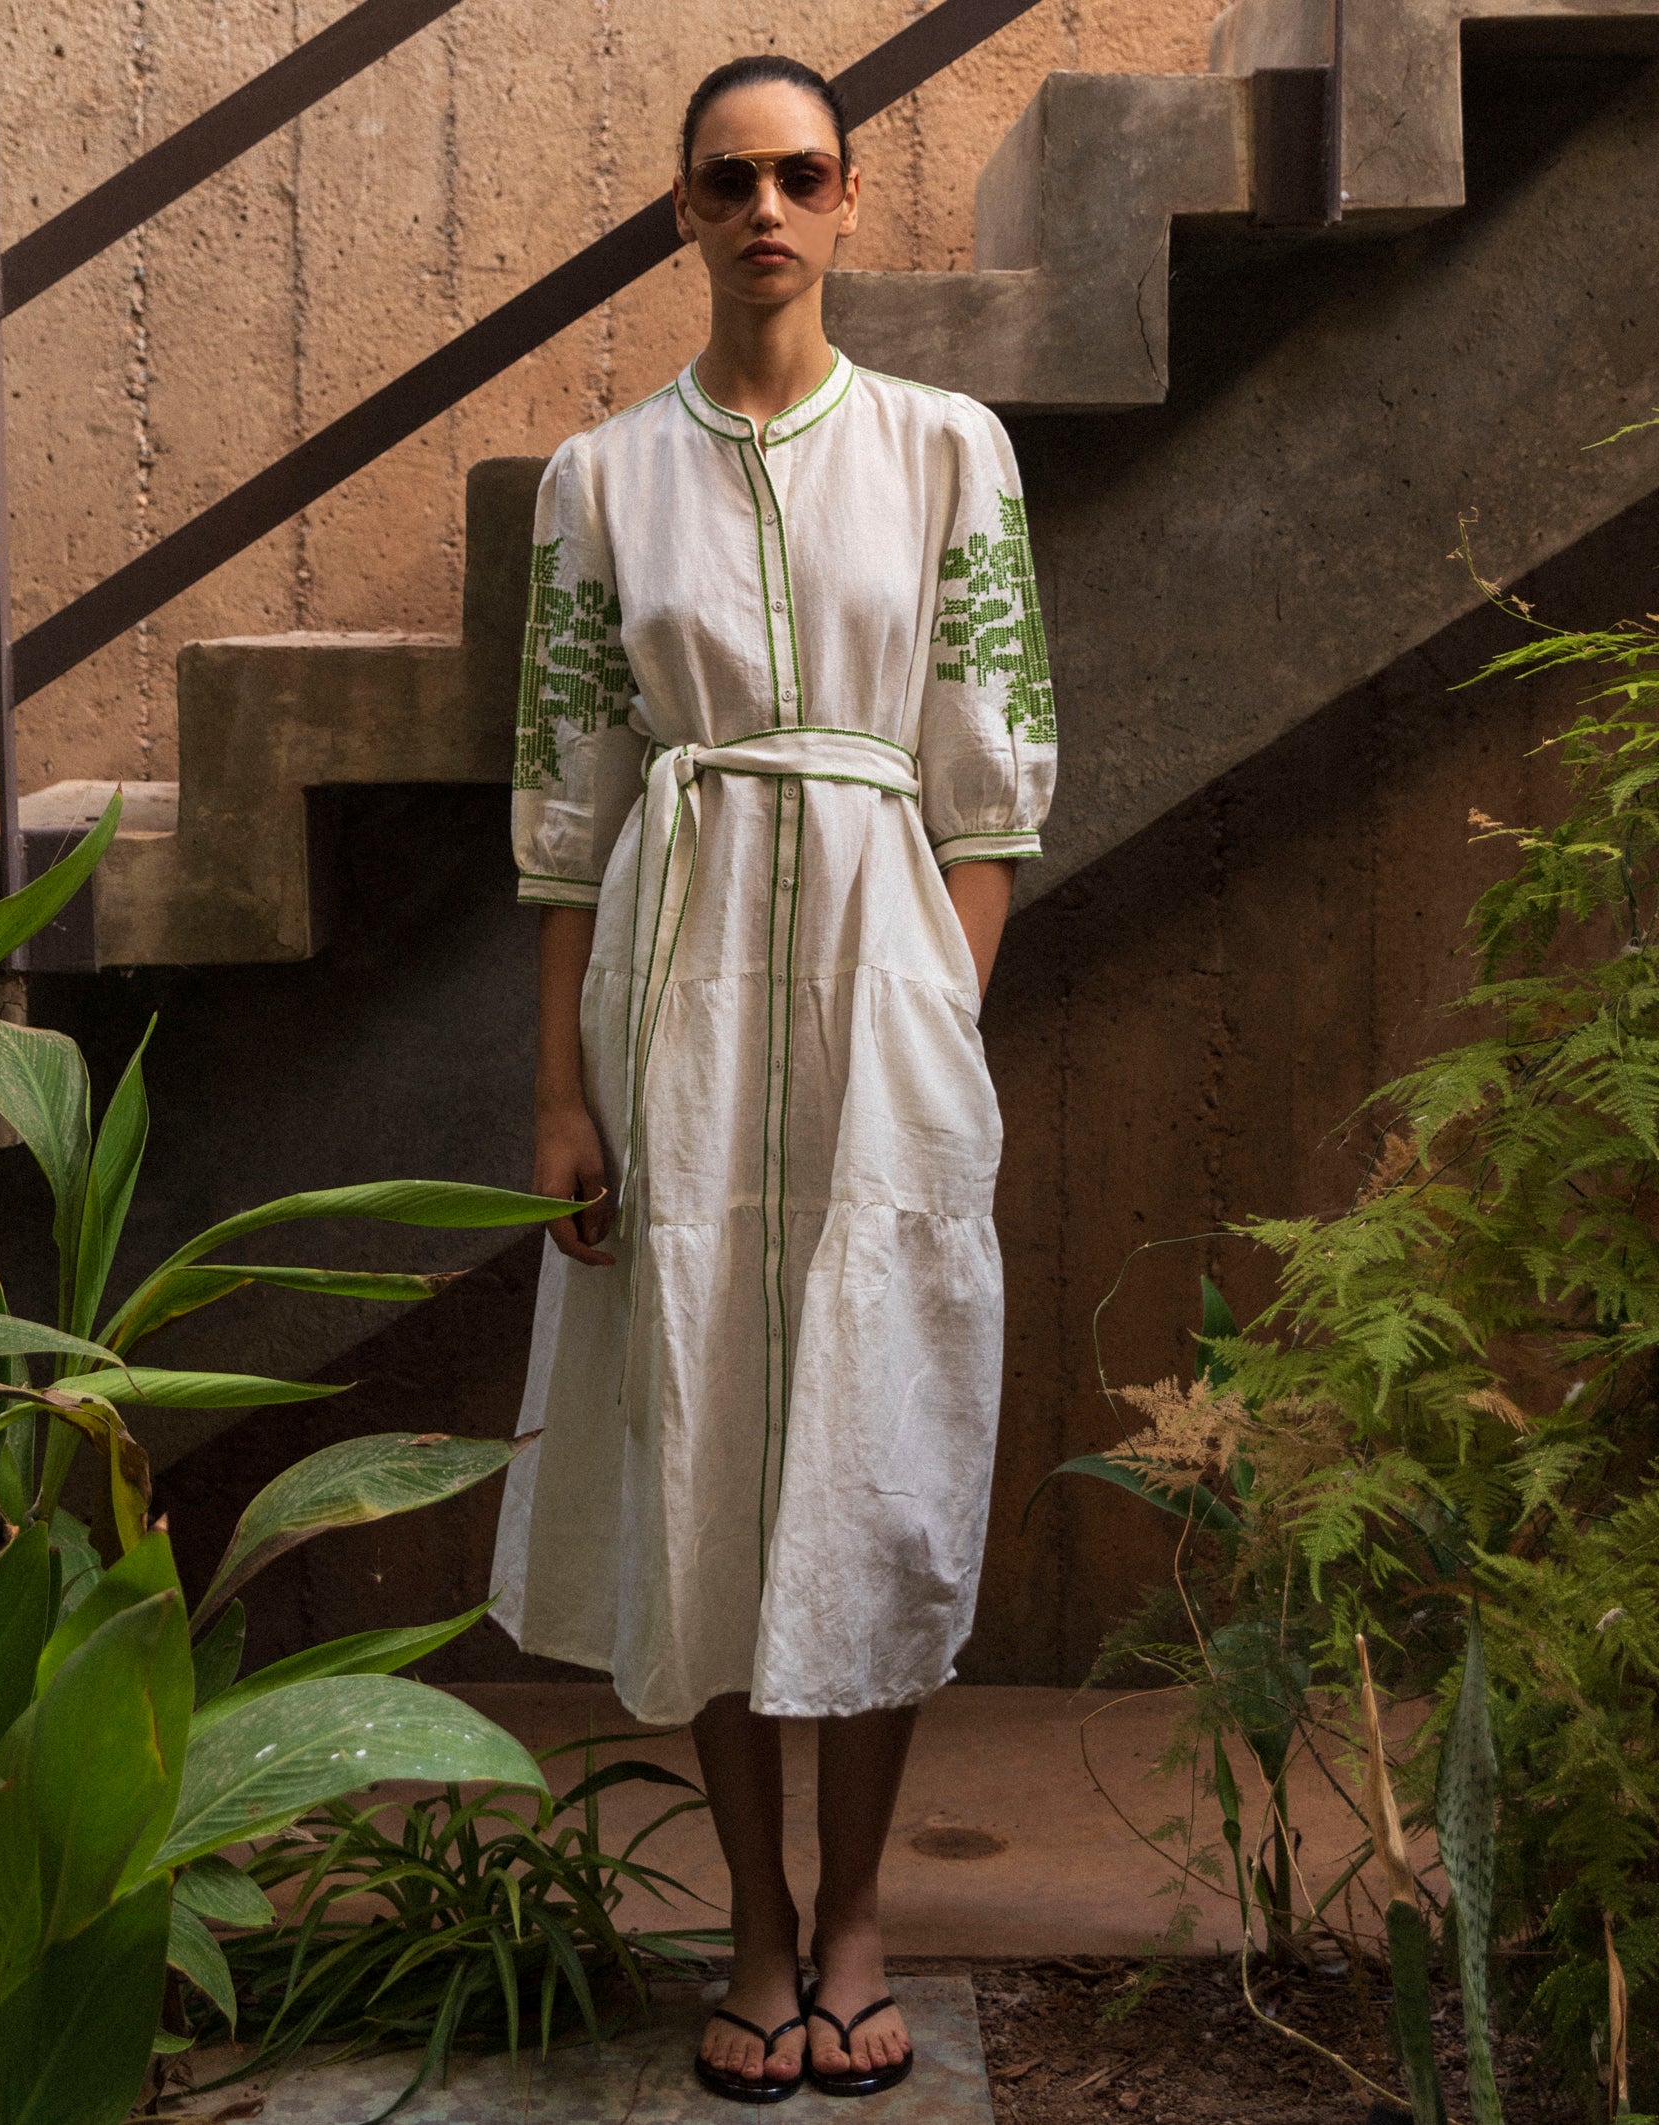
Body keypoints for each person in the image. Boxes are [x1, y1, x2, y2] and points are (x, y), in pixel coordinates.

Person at [489, 51, 1057, 2103]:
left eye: (798, 175)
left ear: (847, 197)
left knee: (876, 1438)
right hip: (674, 999)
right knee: (699, 1434)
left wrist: (937, 1023)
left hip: (882, 998)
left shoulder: (946, 450)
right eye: (726, 181)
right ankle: (748, 1920)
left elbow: (991, 775)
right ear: (681, 210)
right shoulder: (595, 482)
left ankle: (857, 1909)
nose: (763, 212)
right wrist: (559, 1092)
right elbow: (565, 807)